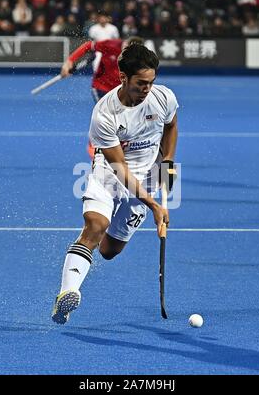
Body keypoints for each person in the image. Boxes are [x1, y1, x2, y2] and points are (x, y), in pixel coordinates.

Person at [52, 44, 179, 325]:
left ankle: (89, 251)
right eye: (141, 83)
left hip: (148, 176)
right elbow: (120, 169)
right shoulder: (104, 114)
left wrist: (168, 161)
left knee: (109, 251)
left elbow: (170, 125)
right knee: (95, 227)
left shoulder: (163, 98)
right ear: (123, 78)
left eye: (152, 82)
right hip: (110, 174)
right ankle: (66, 294)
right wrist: (154, 204)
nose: (148, 89)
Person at [61, 36, 144, 157]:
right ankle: (94, 144)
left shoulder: (138, 57)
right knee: (107, 117)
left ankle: (121, 146)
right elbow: (88, 46)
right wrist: (69, 61)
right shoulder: (110, 45)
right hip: (101, 88)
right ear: (125, 44)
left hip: (120, 91)